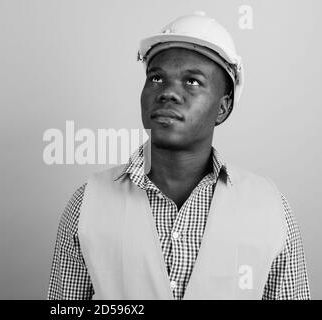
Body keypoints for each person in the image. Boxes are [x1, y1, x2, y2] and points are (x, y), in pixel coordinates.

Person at [47, 12, 310, 300]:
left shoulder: (270, 209)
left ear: (222, 107)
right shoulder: (87, 204)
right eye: (156, 78)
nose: (169, 92)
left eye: (193, 81)